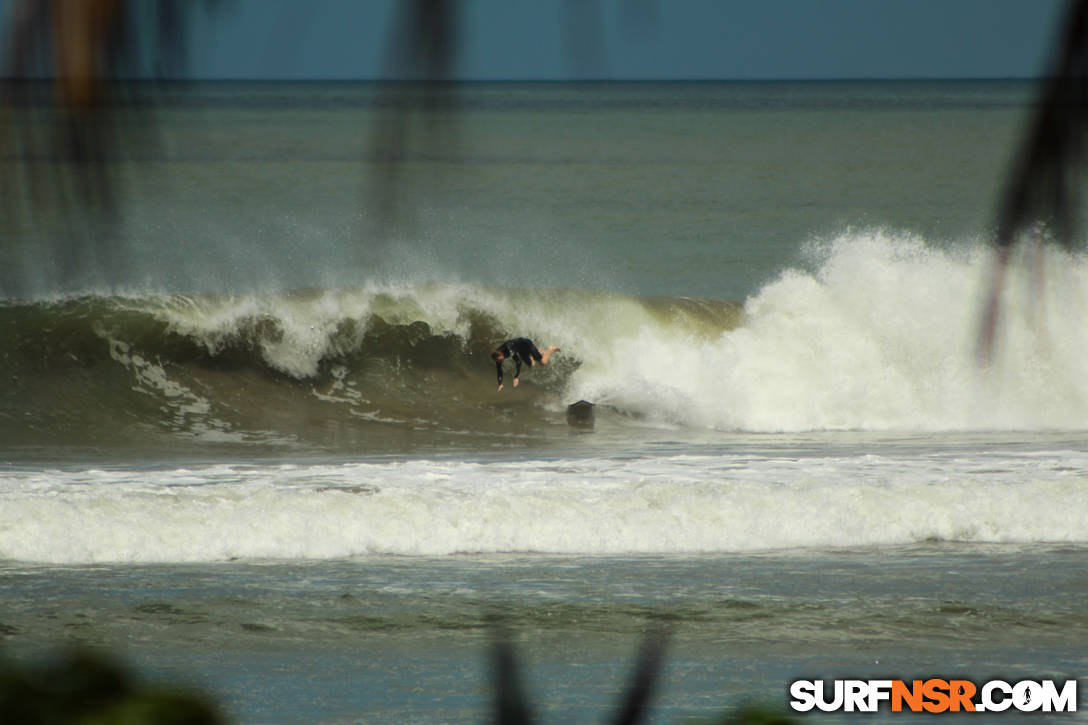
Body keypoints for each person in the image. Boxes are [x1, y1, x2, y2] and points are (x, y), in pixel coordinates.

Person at [491, 337, 560, 391]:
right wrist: (500, 384)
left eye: (500, 360)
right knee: (531, 365)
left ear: (501, 354)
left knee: (543, 362)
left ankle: (551, 349)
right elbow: (499, 370)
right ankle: (538, 352)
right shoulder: (498, 356)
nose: (500, 361)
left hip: (527, 344)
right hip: (520, 350)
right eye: (498, 361)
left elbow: (518, 361)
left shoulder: (509, 349)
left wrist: (516, 377)